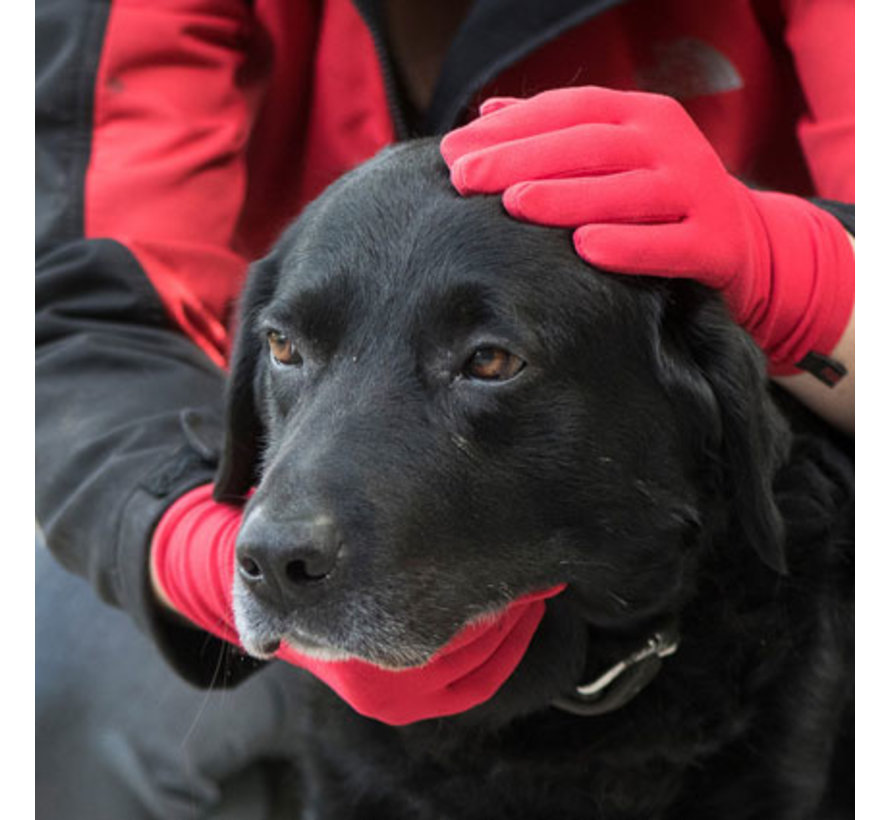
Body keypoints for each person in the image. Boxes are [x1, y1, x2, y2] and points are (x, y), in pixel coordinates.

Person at [36, 0, 854, 816]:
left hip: (741, 463)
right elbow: (87, 315)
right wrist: (186, 543)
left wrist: (807, 271)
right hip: (222, 469)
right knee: (66, 685)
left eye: (486, 363)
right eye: (287, 347)